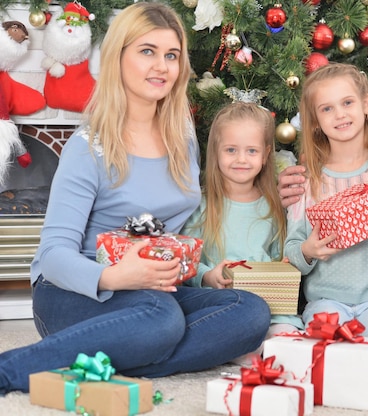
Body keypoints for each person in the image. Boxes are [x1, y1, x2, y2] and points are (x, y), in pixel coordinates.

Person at [0, 2, 270, 395]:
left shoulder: (184, 139)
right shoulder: (87, 147)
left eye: (171, 55)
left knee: (248, 313)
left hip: (151, 292)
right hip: (76, 291)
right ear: (119, 57)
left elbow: (178, 231)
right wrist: (114, 276)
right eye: (147, 51)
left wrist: (201, 273)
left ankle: (103, 364)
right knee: (160, 321)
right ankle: (10, 370)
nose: (161, 66)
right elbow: (54, 255)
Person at [283, 63, 368, 368]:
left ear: (366, 104)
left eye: (347, 103)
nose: (340, 114)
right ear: (316, 121)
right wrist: (308, 250)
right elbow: (291, 252)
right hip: (324, 300)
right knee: (323, 357)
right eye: (327, 109)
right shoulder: (308, 182)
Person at [181, 101, 303, 341]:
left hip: (272, 309)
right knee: (237, 334)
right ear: (216, 151)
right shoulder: (203, 205)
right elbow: (186, 261)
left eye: (251, 151)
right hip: (223, 304)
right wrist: (208, 276)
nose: (241, 159)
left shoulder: (273, 207)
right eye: (231, 150)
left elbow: (280, 257)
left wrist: (284, 265)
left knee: (289, 343)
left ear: (266, 154)